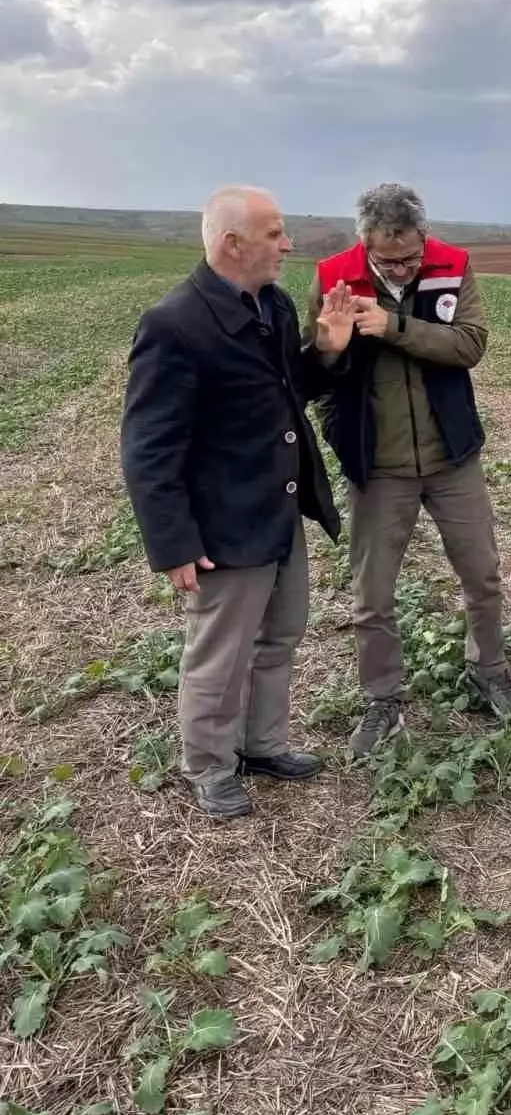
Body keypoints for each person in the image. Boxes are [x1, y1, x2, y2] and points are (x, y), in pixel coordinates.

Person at [120, 185, 356, 820]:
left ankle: (261, 745)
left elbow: (287, 391)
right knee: (219, 656)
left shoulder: (271, 306)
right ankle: (210, 766)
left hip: (278, 509)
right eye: (275, 233)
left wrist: (327, 349)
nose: (288, 244)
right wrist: (173, 542)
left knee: (279, 636)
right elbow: (149, 447)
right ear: (232, 243)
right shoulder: (175, 324)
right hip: (224, 523)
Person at [307, 183, 511, 755]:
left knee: (482, 574)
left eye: (410, 255)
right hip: (379, 468)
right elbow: (320, 371)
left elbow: (470, 344)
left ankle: (489, 670)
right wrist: (332, 362)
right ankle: (381, 699)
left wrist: (394, 327)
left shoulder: (452, 266)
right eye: (389, 259)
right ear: (367, 245)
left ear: (422, 236)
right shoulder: (335, 275)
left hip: (452, 458)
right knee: (373, 593)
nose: (403, 267)